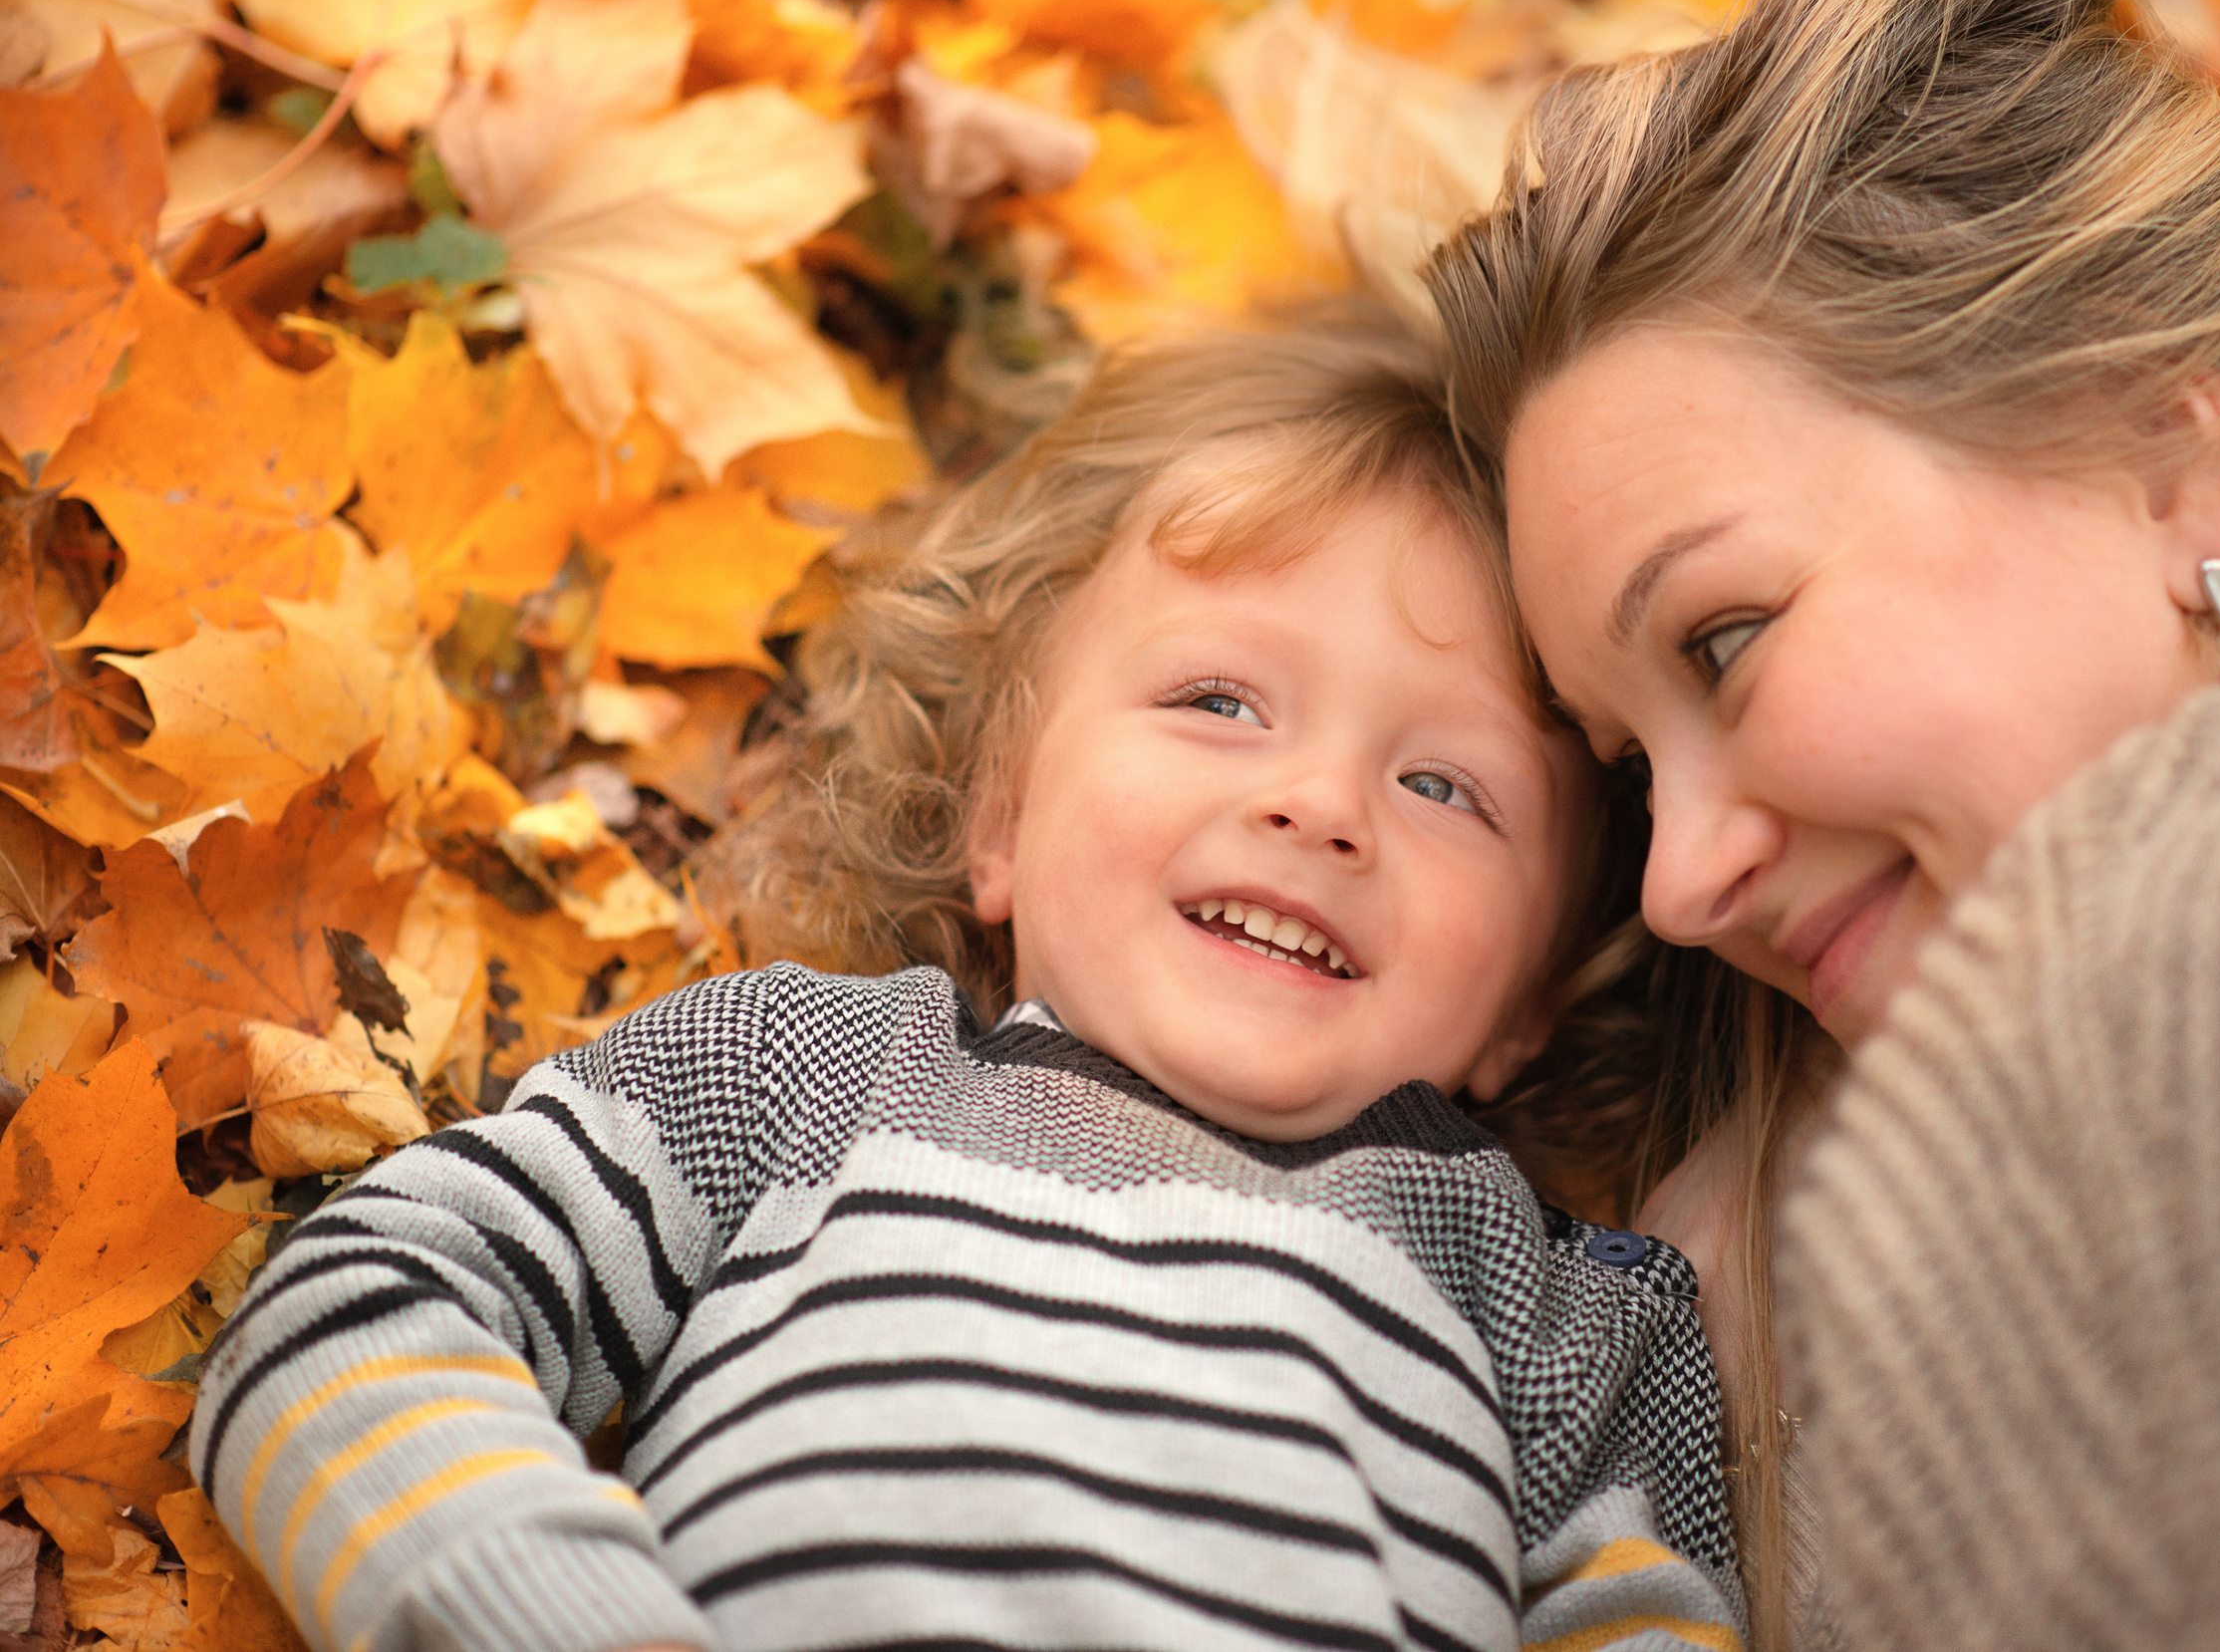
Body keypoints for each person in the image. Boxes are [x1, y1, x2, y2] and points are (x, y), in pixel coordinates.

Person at [189, 308, 1747, 1652]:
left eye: (1444, 786)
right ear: (999, 807)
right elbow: (356, 1301)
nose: (1321, 804)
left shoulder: (1563, 1313)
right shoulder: (795, 1075)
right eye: (1218, 698)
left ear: (1534, 991)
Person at [1424, 0, 2220, 1643]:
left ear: (2161, 464)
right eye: (1634, 768)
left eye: (1725, 641)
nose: (1676, 884)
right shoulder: (1696, 1302)